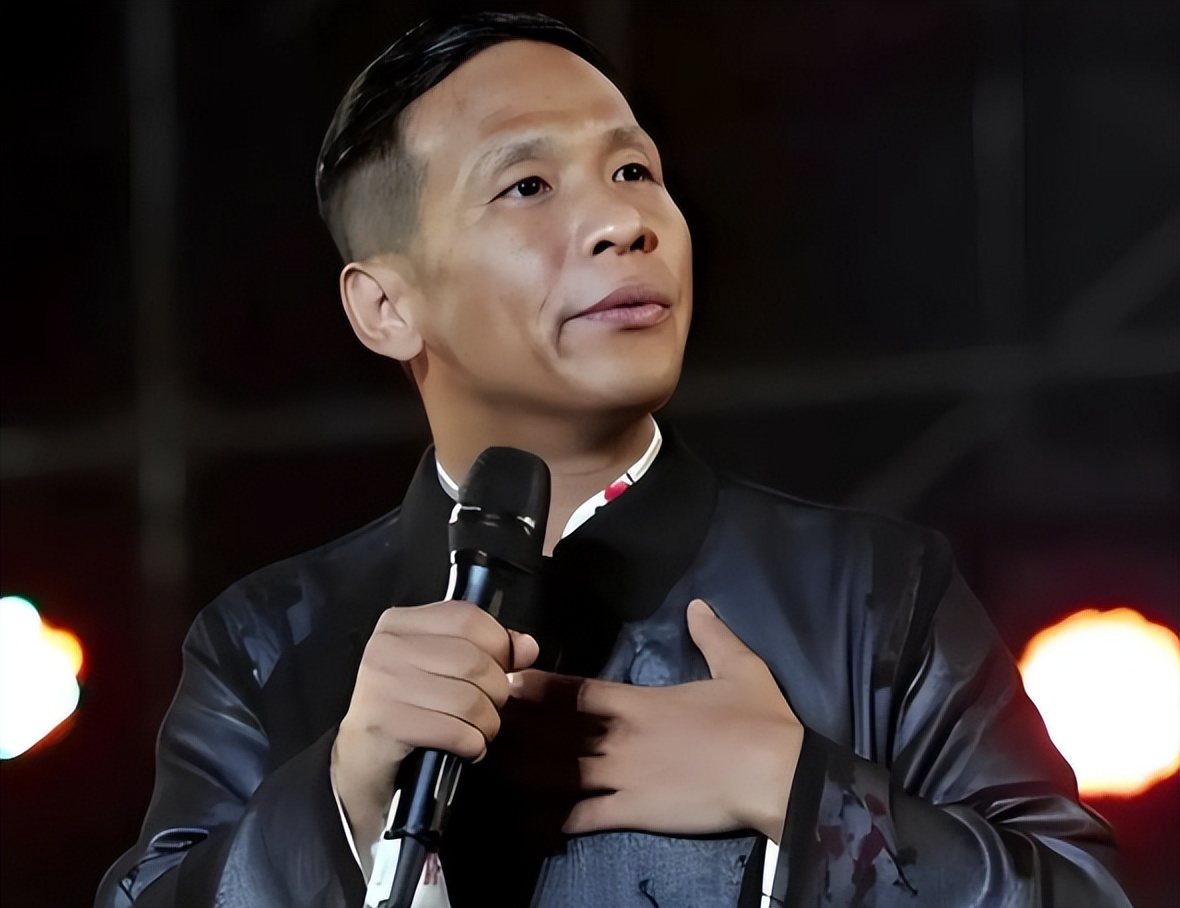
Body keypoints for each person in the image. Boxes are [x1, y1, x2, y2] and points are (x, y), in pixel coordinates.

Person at [96, 10, 1132, 908]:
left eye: (635, 170)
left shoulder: (873, 596)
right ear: (385, 306)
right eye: (527, 184)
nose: (623, 222)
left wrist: (798, 792)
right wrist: (342, 789)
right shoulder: (267, 642)